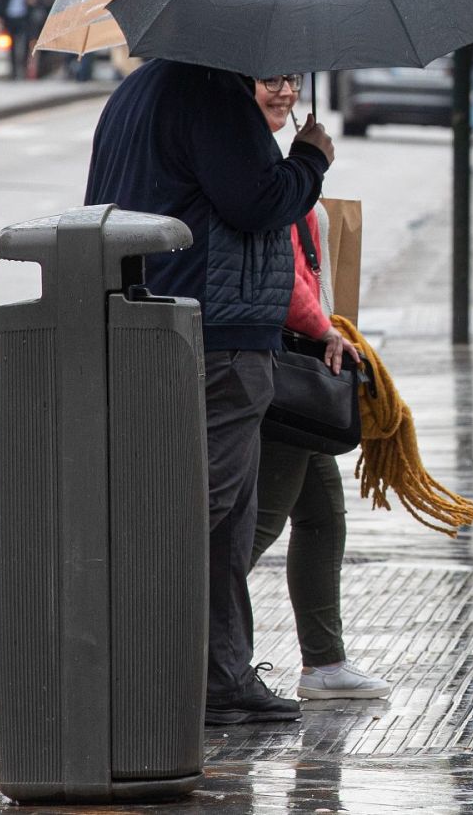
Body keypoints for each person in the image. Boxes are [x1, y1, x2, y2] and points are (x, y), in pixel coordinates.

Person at [85, 62, 335, 725]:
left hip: (150, 314)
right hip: (212, 330)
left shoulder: (139, 90)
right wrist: (309, 159)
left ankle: (221, 675)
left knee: (223, 518)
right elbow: (256, 200)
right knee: (196, 504)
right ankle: (136, 667)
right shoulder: (213, 95)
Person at [244, 76, 391, 702]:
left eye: (290, 81)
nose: (281, 92)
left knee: (323, 515)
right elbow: (280, 268)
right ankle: (190, 647)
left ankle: (324, 664)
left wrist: (308, 160)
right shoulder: (256, 161)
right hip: (286, 364)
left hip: (298, 358)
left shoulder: (275, 159)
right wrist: (321, 326)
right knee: (254, 529)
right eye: (267, 81)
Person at [0, 0, 39, 81]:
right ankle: (14, 71)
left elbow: (37, 1)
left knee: (25, 44)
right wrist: (0, 17)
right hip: (10, 18)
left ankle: (23, 70)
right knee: (12, 46)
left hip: (23, 18)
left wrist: (32, 1)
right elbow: (0, 2)